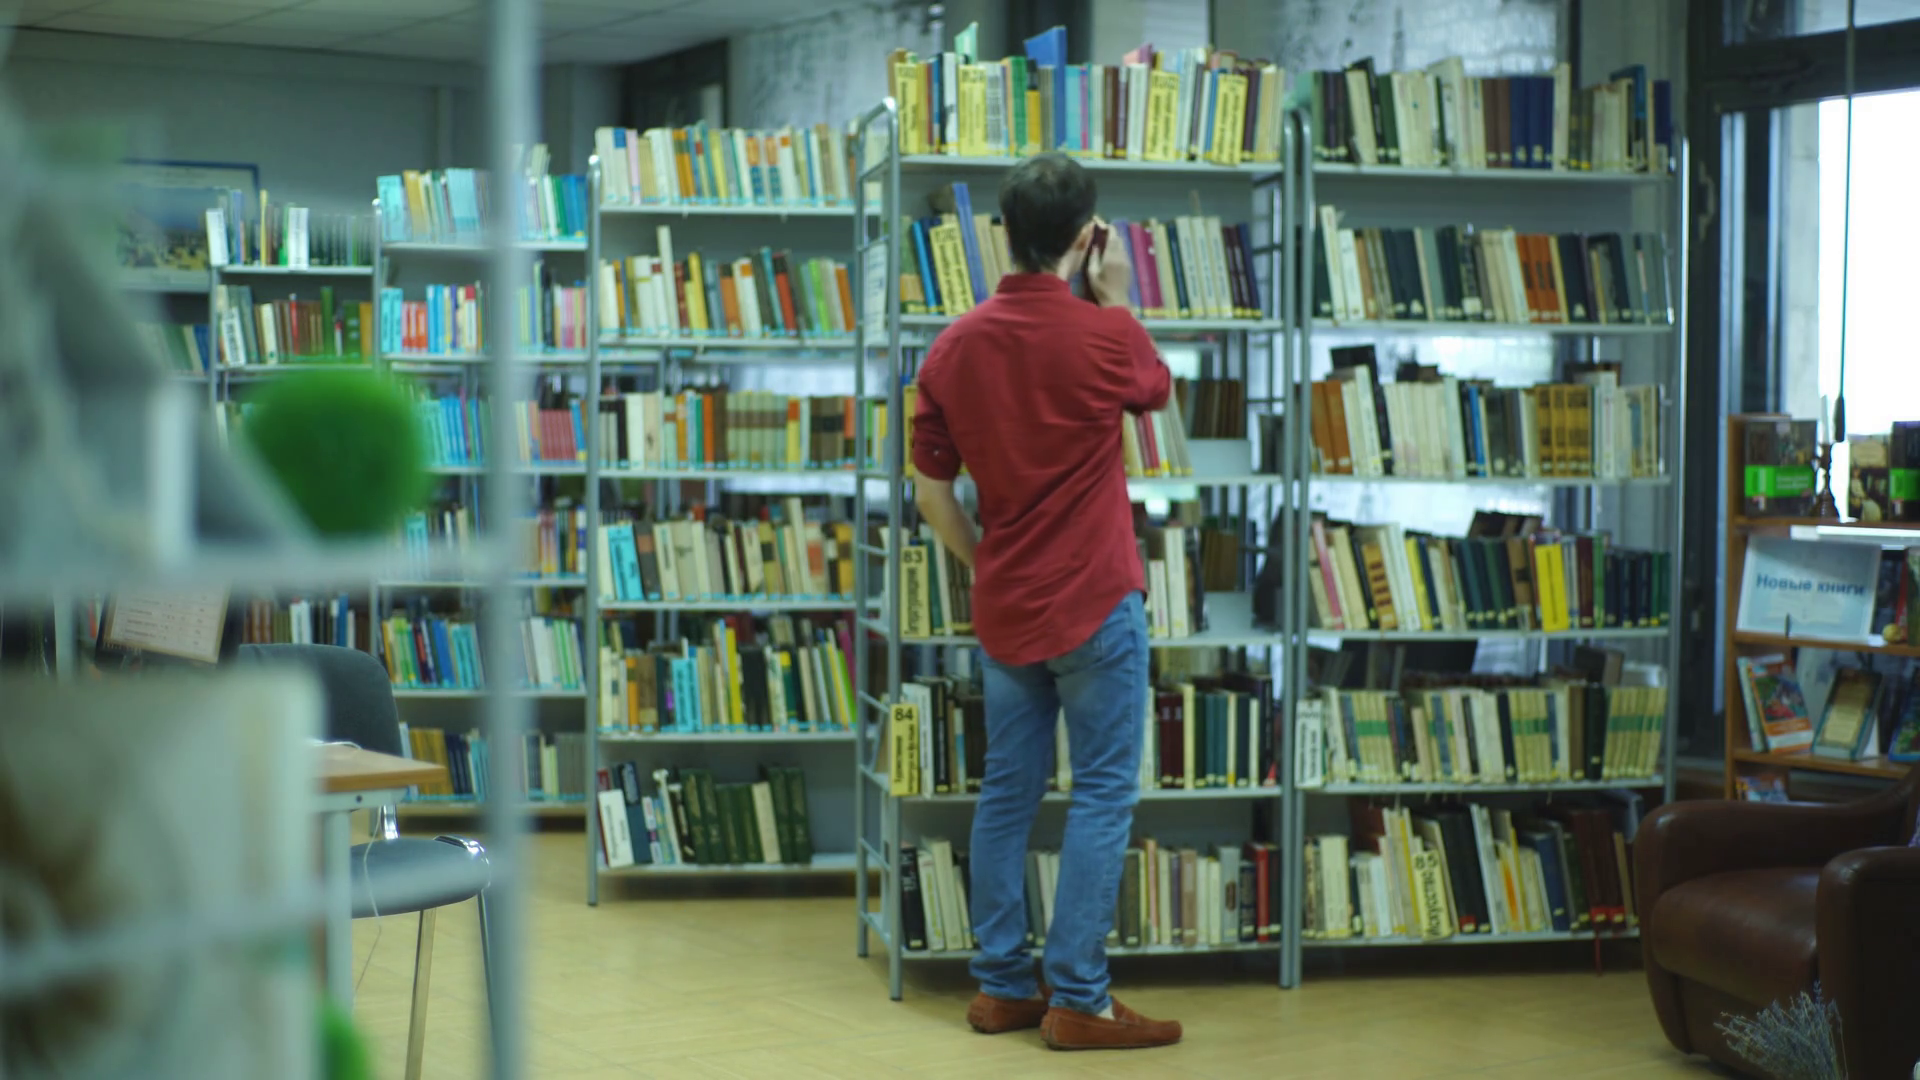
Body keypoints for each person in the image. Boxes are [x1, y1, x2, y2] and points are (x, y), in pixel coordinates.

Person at [910, 153, 1181, 1052]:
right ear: (1087, 236)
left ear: (1004, 233)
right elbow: (1154, 389)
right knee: (1100, 794)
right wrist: (1114, 295)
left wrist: (986, 561)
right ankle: (1079, 999)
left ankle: (1000, 988)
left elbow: (933, 495)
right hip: (1097, 600)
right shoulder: (1104, 336)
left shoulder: (952, 348)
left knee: (1007, 793)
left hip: (1008, 610)